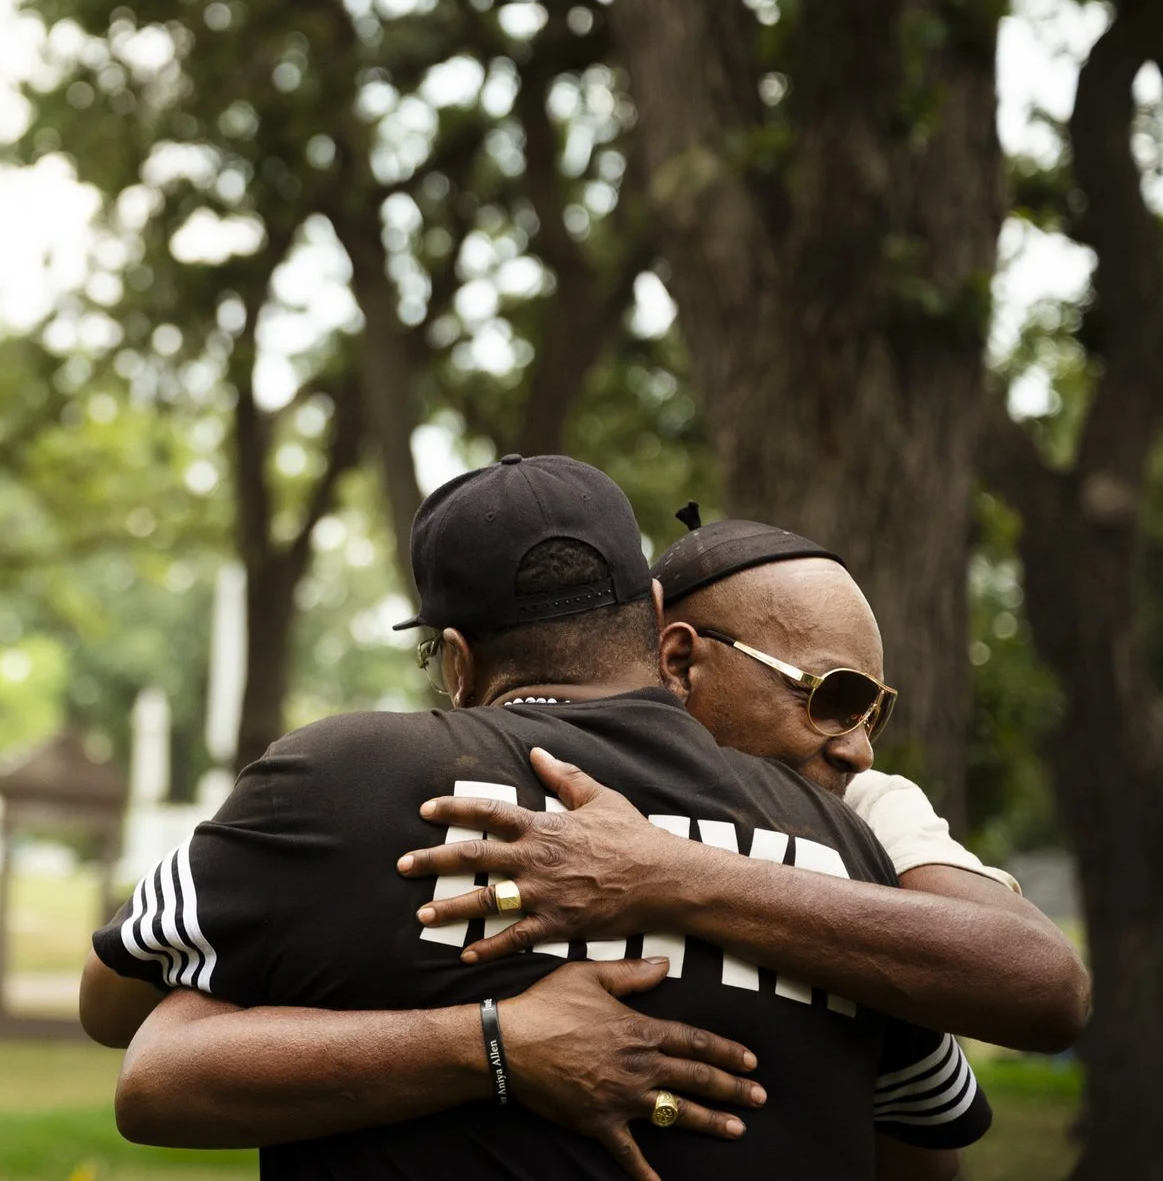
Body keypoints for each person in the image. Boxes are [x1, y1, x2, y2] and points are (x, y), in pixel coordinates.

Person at [80, 457, 1078, 1180]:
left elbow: (128, 1026)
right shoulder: (854, 857)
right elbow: (923, 1139)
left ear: (458, 658)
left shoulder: (346, 780)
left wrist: (490, 1034)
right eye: (828, 695)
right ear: (654, 627)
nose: (853, 744)